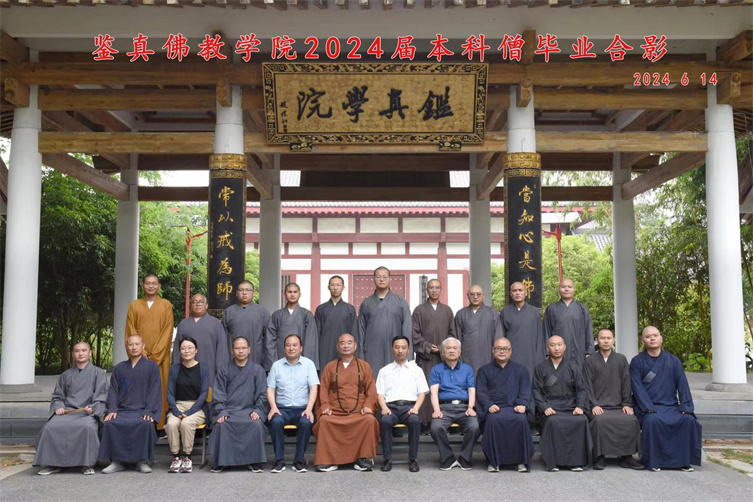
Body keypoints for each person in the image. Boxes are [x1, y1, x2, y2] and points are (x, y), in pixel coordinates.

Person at [630, 326, 702, 472]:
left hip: (671, 406)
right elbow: (637, 388)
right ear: (642, 341)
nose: (652, 338)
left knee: (688, 419)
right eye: (648, 336)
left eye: (655, 335)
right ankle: (654, 461)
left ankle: (683, 461)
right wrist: (648, 408)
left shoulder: (674, 361)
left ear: (661, 339)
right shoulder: (637, 361)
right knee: (652, 420)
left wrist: (686, 406)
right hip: (648, 407)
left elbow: (683, 385)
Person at [33, 342, 107, 476]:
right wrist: (59, 407)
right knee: (51, 427)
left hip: (86, 413)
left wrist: (93, 408)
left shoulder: (99, 373)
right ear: (73, 354)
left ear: (90, 353)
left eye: (84, 350)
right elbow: (58, 396)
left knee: (87, 427)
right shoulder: (65, 375)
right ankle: (53, 464)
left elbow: (102, 396)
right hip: (67, 412)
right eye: (77, 351)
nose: (81, 353)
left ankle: (87, 464)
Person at [313, 333, 379, 472]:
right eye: (342, 343)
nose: (346, 346)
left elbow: (371, 389)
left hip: (358, 411)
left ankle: (362, 459)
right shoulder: (330, 367)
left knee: (369, 420)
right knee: (324, 421)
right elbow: (323, 389)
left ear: (355, 346)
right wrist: (325, 406)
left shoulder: (364, 366)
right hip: (335, 411)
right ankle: (329, 460)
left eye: (349, 343)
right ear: (337, 347)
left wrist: (368, 406)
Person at [99, 334, 162, 474]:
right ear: (126, 347)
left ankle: (142, 461)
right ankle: (116, 461)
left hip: (142, 409)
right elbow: (113, 391)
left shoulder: (152, 367)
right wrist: (112, 409)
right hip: (123, 410)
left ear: (143, 346)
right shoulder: (120, 368)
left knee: (145, 424)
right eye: (130, 344)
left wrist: (149, 411)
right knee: (110, 423)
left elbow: (154, 390)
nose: (134, 347)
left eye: (137, 344)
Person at [583, 329, 643, 470]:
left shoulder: (621, 359)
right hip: (598, 406)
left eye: (609, 338)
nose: (606, 341)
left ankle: (626, 456)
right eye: (602, 338)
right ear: (597, 340)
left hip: (617, 405)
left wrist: (627, 404)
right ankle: (599, 456)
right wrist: (593, 405)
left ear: (613, 340)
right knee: (599, 421)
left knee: (631, 420)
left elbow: (626, 382)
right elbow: (586, 385)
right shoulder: (590, 361)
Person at [532, 335, 592, 472]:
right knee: (552, 421)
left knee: (581, 420)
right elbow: (536, 390)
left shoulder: (573, 366)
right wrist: (544, 407)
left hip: (570, 406)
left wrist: (580, 406)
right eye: (553, 345)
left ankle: (576, 461)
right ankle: (552, 461)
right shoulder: (540, 367)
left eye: (559, 345)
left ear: (564, 347)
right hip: (550, 407)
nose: (557, 348)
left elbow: (582, 389)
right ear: (547, 348)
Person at [210, 336, 269, 473]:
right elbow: (218, 393)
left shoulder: (257, 370)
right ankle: (221, 461)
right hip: (229, 411)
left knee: (256, 424)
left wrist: (258, 410)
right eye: (237, 348)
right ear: (232, 351)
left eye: (243, 348)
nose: (240, 351)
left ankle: (254, 461)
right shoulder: (224, 370)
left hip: (249, 411)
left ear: (249, 350)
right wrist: (221, 411)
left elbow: (262, 394)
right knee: (221, 425)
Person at [476, 337, 535, 473]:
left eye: (505, 349)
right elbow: (481, 392)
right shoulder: (484, 371)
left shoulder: (521, 370)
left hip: (514, 408)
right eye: (498, 348)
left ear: (510, 351)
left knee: (520, 419)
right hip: (494, 408)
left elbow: (525, 391)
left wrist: (522, 404)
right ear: (493, 350)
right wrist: (489, 405)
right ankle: (493, 461)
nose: (501, 351)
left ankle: (521, 460)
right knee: (492, 419)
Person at [125, 274, 174, 433]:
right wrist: (141, 353)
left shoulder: (166, 305)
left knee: (160, 388)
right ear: (142, 286)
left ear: (159, 286)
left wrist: (155, 356)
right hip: (139, 357)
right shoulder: (134, 306)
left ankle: (159, 426)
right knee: (139, 389)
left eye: (154, 283)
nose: (151, 286)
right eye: (147, 283)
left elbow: (167, 332)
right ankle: (139, 422)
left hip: (161, 358)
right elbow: (130, 331)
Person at [267, 334, 320, 474]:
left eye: (295, 345)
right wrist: (273, 407)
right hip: (282, 408)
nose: (291, 348)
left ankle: (299, 461)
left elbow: (314, 388)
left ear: (301, 348)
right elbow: (270, 389)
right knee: (275, 421)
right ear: (284, 348)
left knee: (306, 422)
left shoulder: (309, 364)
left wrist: (309, 409)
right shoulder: (276, 366)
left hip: (302, 408)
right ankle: (279, 461)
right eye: (288, 345)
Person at [376, 335, 429, 473]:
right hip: (391, 408)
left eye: (403, 347)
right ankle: (387, 459)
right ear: (392, 349)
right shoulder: (384, 370)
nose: (400, 350)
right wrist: (384, 408)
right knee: (385, 421)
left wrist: (416, 408)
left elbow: (422, 393)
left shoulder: (416, 370)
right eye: (397, 347)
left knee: (415, 421)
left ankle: (413, 459)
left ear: (408, 350)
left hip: (409, 407)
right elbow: (379, 393)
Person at [429, 337, 481, 471]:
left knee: (474, 426)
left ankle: (465, 457)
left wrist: (470, 407)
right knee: (436, 427)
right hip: (444, 408)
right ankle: (447, 457)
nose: (451, 351)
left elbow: (471, 390)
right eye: (448, 348)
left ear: (460, 351)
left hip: (464, 407)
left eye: (454, 348)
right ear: (443, 352)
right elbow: (434, 392)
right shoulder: (436, 369)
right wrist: (436, 410)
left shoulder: (467, 369)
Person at [412, 278, 455, 429]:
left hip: (444, 358)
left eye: (437, 287)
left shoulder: (447, 310)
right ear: (427, 290)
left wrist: (443, 347)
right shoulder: (419, 310)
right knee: (426, 388)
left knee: (445, 387)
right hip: (426, 358)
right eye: (431, 287)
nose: (434, 290)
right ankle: (425, 422)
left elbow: (452, 333)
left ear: (441, 289)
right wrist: (428, 347)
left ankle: (444, 421)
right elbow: (415, 334)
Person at [165, 337, 209, 474]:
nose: (187, 351)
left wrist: (189, 412)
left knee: (186, 423)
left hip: (197, 407)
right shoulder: (174, 369)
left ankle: (187, 457)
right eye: (183, 348)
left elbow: (204, 393)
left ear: (196, 350)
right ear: (179, 351)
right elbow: (170, 392)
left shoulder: (203, 368)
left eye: (190, 348)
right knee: (171, 423)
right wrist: (176, 411)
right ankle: (175, 456)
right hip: (178, 406)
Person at [358, 266, 412, 374]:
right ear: (373, 279)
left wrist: (408, 355)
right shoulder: (366, 303)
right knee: (372, 377)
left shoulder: (401, 301)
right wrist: (360, 354)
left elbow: (407, 328)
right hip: (372, 350)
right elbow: (361, 330)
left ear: (390, 279)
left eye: (384, 277)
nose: (381, 279)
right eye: (378, 277)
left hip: (396, 350)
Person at [172, 294, 229, 388]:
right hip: (186, 371)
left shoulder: (215, 324)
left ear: (206, 305)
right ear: (191, 305)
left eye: (201, 302)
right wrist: (175, 371)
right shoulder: (183, 324)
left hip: (209, 369)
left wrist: (221, 372)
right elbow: (177, 350)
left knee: (208, 393)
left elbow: (221, 350)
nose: (197, 304)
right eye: (194, 302)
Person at [543, 278, 594, 370]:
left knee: (579, 375)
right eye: (563, 287)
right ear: (559, 289)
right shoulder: (551, 309)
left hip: (579, 351)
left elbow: (589, 330)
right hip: (557, 352)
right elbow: (546, 331)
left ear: (574, 289)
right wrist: (547, 352)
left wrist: (589, 351)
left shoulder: (582, 309)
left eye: (569, 287)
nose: (566, 289)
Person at [267, 282, 319, 370]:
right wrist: (273, 362)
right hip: (280, 358)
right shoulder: (276, 315)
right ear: (284, 294)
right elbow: (270, 341)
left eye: (295, 292)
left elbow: (310, 341)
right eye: (289, 292)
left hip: (301, 361)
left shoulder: (307, 314)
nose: (292, 295)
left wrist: (307, 364)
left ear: (299, 294)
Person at [499, 282, 546, 380]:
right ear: (511, 294)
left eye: (520, 290)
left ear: (526, 293)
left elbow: (539, 337)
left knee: (530, 380)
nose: (517, 293)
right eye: (514, 291)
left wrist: (540, 357)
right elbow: (501, 337)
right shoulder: (505, 312)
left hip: (530, 355)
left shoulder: (534, 312)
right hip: (511, 355)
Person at [454, 285, 503, 375]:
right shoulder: (461, 314)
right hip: (467, 356)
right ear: (467, 295)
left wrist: (497, 355)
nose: (475, 297)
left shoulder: (492, 313)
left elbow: (498, 336)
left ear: (483, 295)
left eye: (478, 294)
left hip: (487, 355)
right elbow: (457, 338)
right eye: (472, 294)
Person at [222, 280, 269, 368]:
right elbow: (223, 337)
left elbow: (268, 338)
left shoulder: (262, 312)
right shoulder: (229, 312)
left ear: (253, 293)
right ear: (236, 293)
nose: (244, 293)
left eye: (248, 290)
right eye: (241, 290)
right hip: (233, 357)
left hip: (256, 356)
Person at [315, 275, 359, 367]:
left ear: (343, 287)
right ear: (328, 287)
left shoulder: (350, 309)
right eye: (333, 285)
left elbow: (354, 332)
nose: (335, 288)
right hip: (325, 348)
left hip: (345, 348)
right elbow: (316, 333)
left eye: (338, 285)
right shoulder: (321, 309)